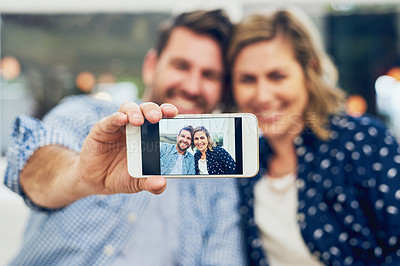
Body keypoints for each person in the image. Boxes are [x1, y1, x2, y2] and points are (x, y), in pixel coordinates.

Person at [4, 10, 245, 265]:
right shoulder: (90, 118)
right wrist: (78, 175)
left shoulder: (219, 183)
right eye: (181, 66)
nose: (193, 86)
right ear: (151, 67)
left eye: (210, 75)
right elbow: (32, 164)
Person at [227, 7, 400, 265]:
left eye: (277, 76)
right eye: (247, 79)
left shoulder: (364, 142)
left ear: (309, 70)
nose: (262, 95)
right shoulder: (243, 166)